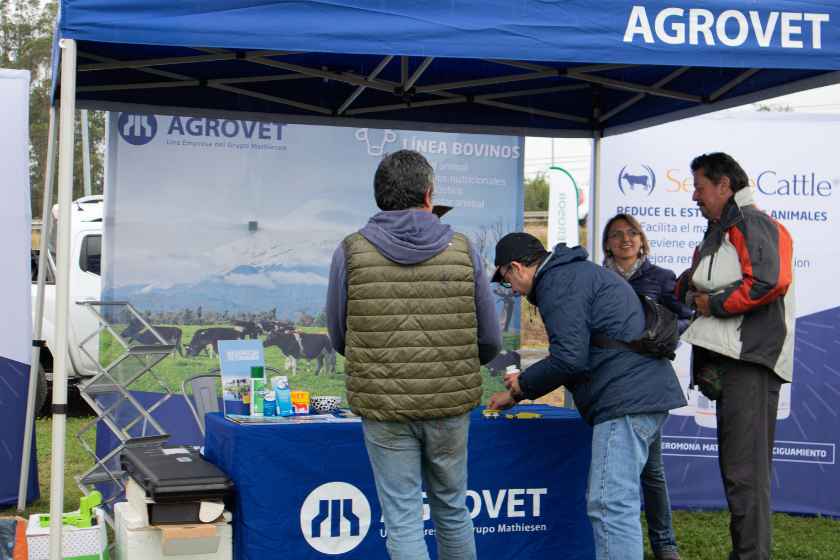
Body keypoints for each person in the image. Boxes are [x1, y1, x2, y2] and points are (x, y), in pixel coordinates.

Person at [326, 149, 502, 560]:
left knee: (403, 517)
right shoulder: (463, 248)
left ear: (379, 196)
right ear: (429, 194)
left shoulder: (350, 251)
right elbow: (490, 338)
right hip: (449, 404)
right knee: (453, 509)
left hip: (385, 405)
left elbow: (338, 334)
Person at [487, 233, 686, 560]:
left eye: (506, 281)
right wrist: (523, 388)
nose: (512, 290)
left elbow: (569, 358)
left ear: (516, 268)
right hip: (646, 390)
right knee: (638, 485)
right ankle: (666, 548)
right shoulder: (575, 273)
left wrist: (522, 387)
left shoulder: (556, 283)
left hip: (625, 398)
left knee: (610, 504)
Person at [676, 152, 794, 560]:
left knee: (746, 474)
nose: (694, 196)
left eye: (700, 187)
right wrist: (684, 291)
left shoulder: (751, 223)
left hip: (751, 362)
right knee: (738, 472)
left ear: (724, 186)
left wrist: (714, 304)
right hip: (731, 362)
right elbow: (697, 284)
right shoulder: (719, 230)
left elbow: (768, 280)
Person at [602, 213, 694, 560]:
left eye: (632, 233)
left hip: (647, 381)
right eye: (616, 234)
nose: (625, 239)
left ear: (642, 241)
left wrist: (662, 336)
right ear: (607, 243)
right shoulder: (596, 278)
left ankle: (664, 544)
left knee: (651, 471)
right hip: (607, 382)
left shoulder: (661, 278)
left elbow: (686, 315)